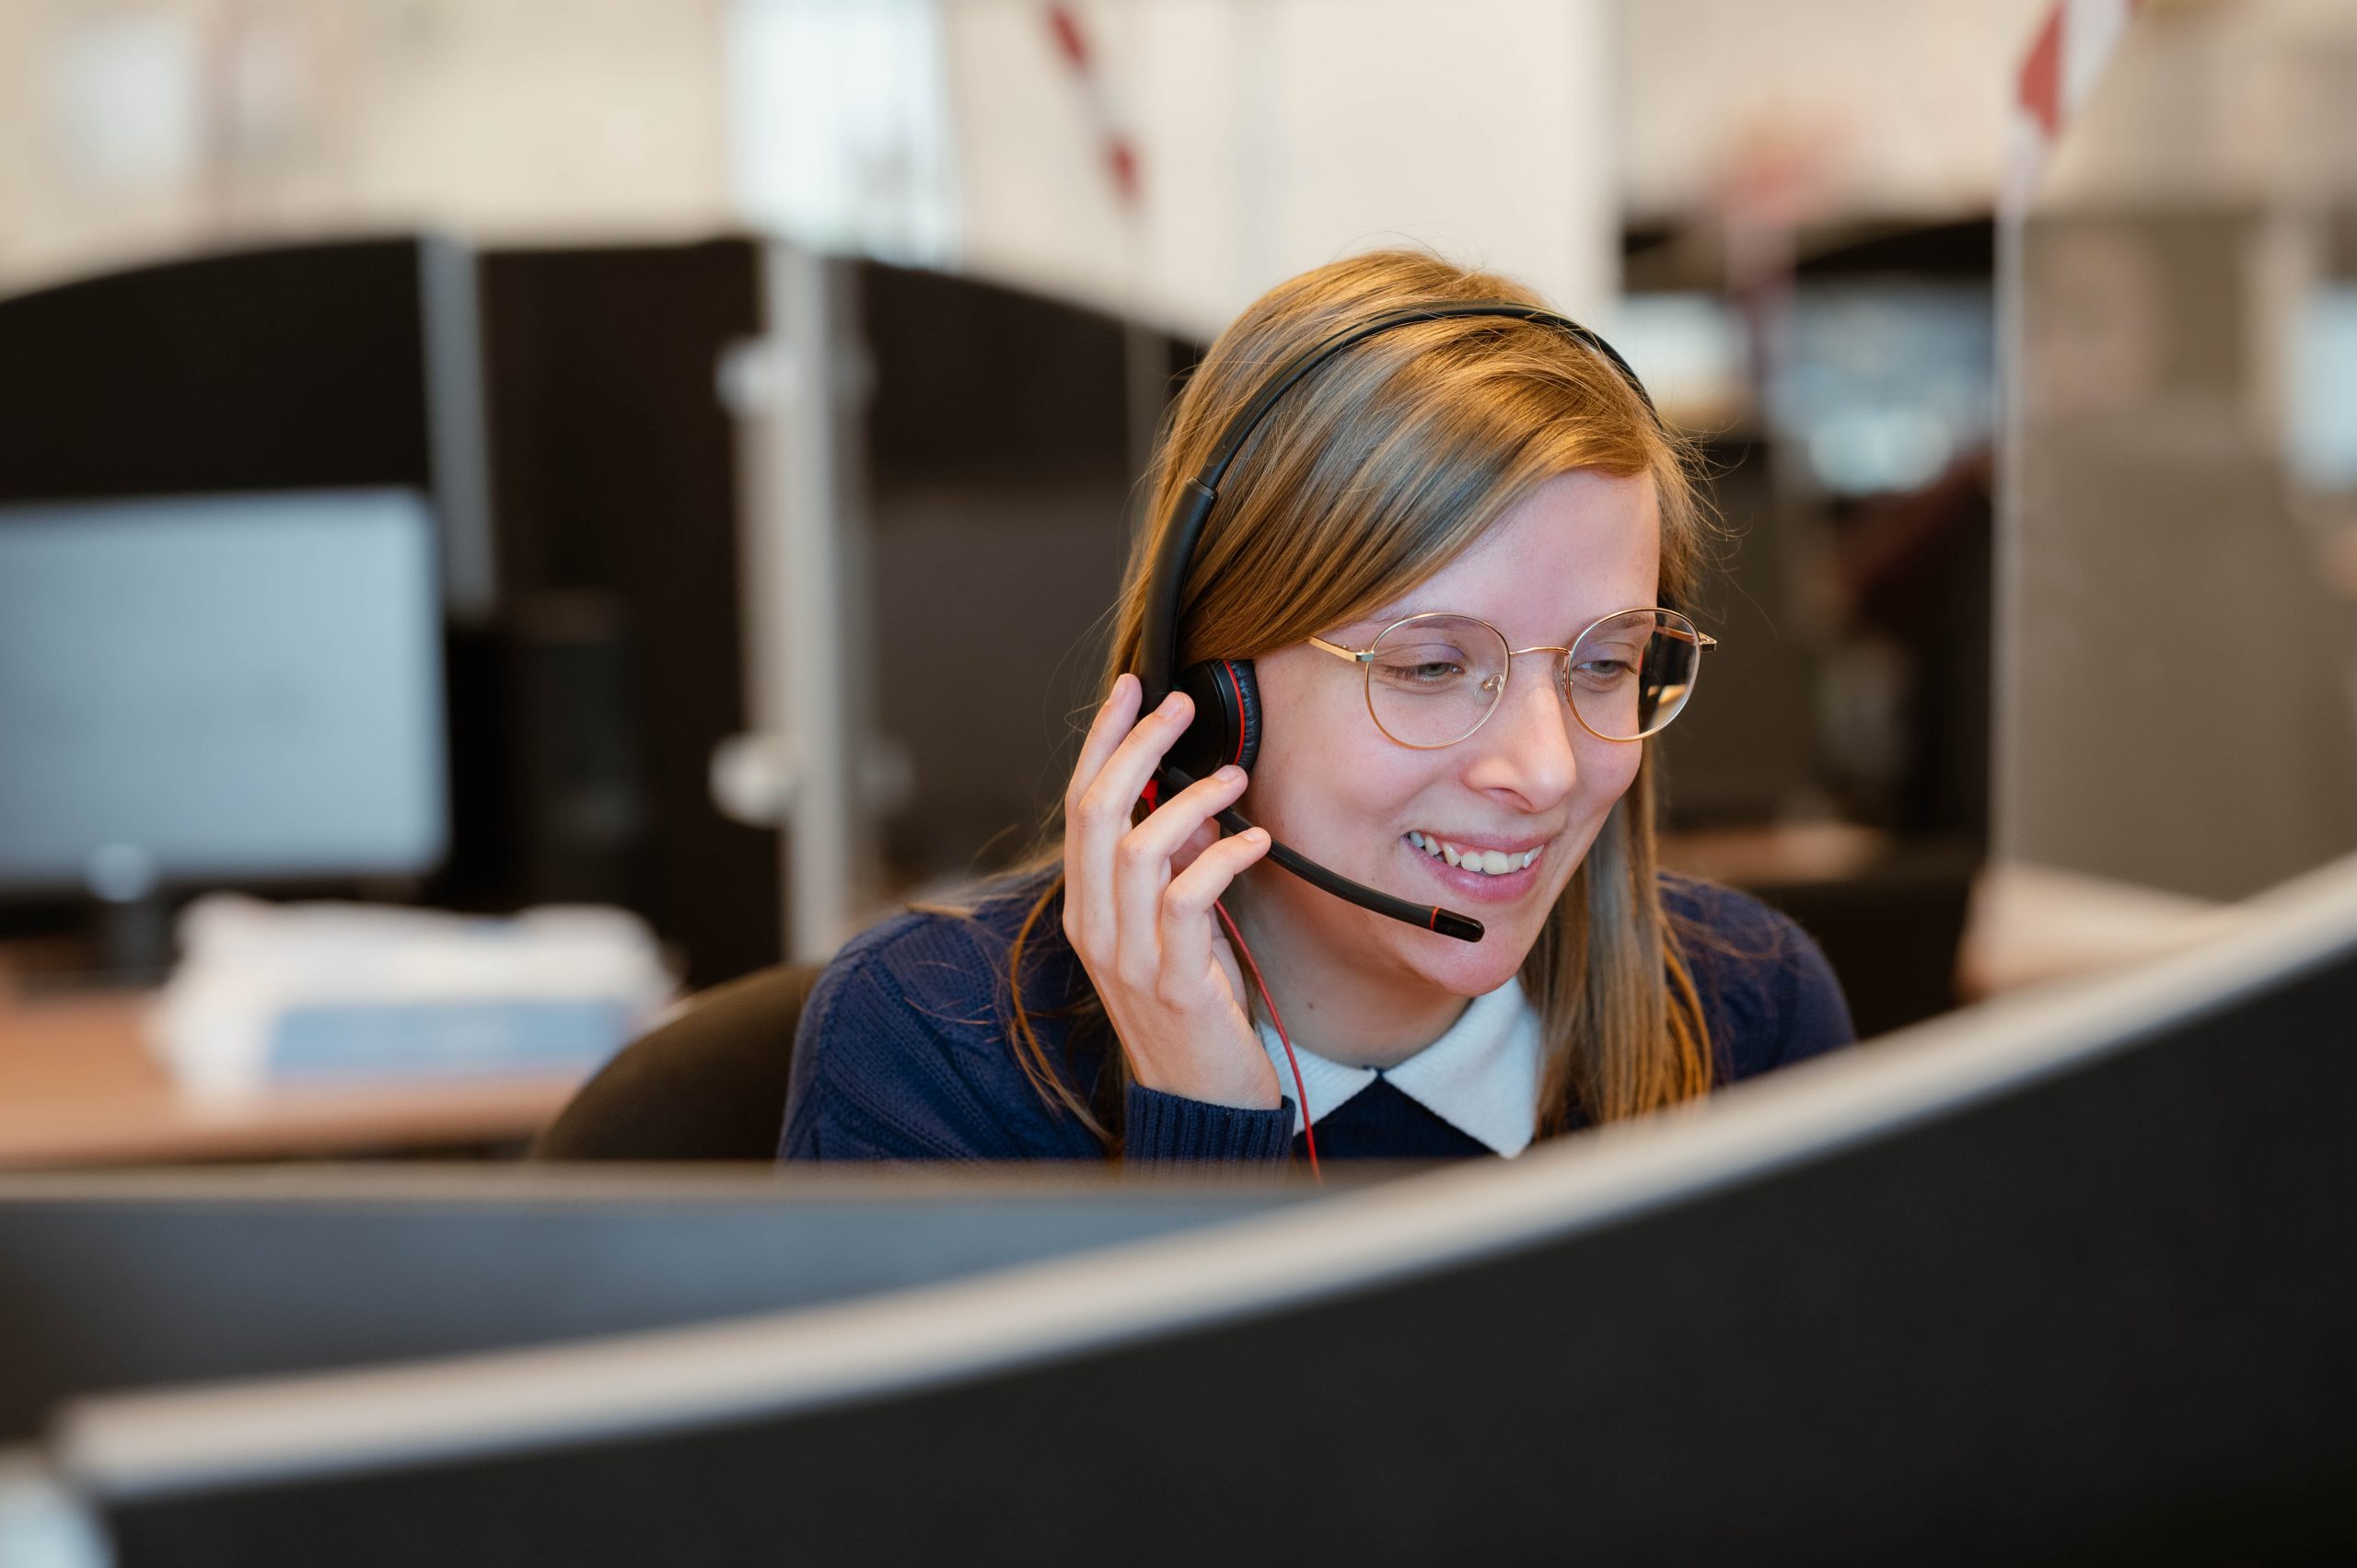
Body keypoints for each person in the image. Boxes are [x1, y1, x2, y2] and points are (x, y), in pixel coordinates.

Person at [779, 250, 1852, 1167]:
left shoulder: (1743, 1014)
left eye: (1606, 662)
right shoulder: (938, 1052)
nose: (1548, 769)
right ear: (1214, 696)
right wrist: (1203, 1121)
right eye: (1431, 667)